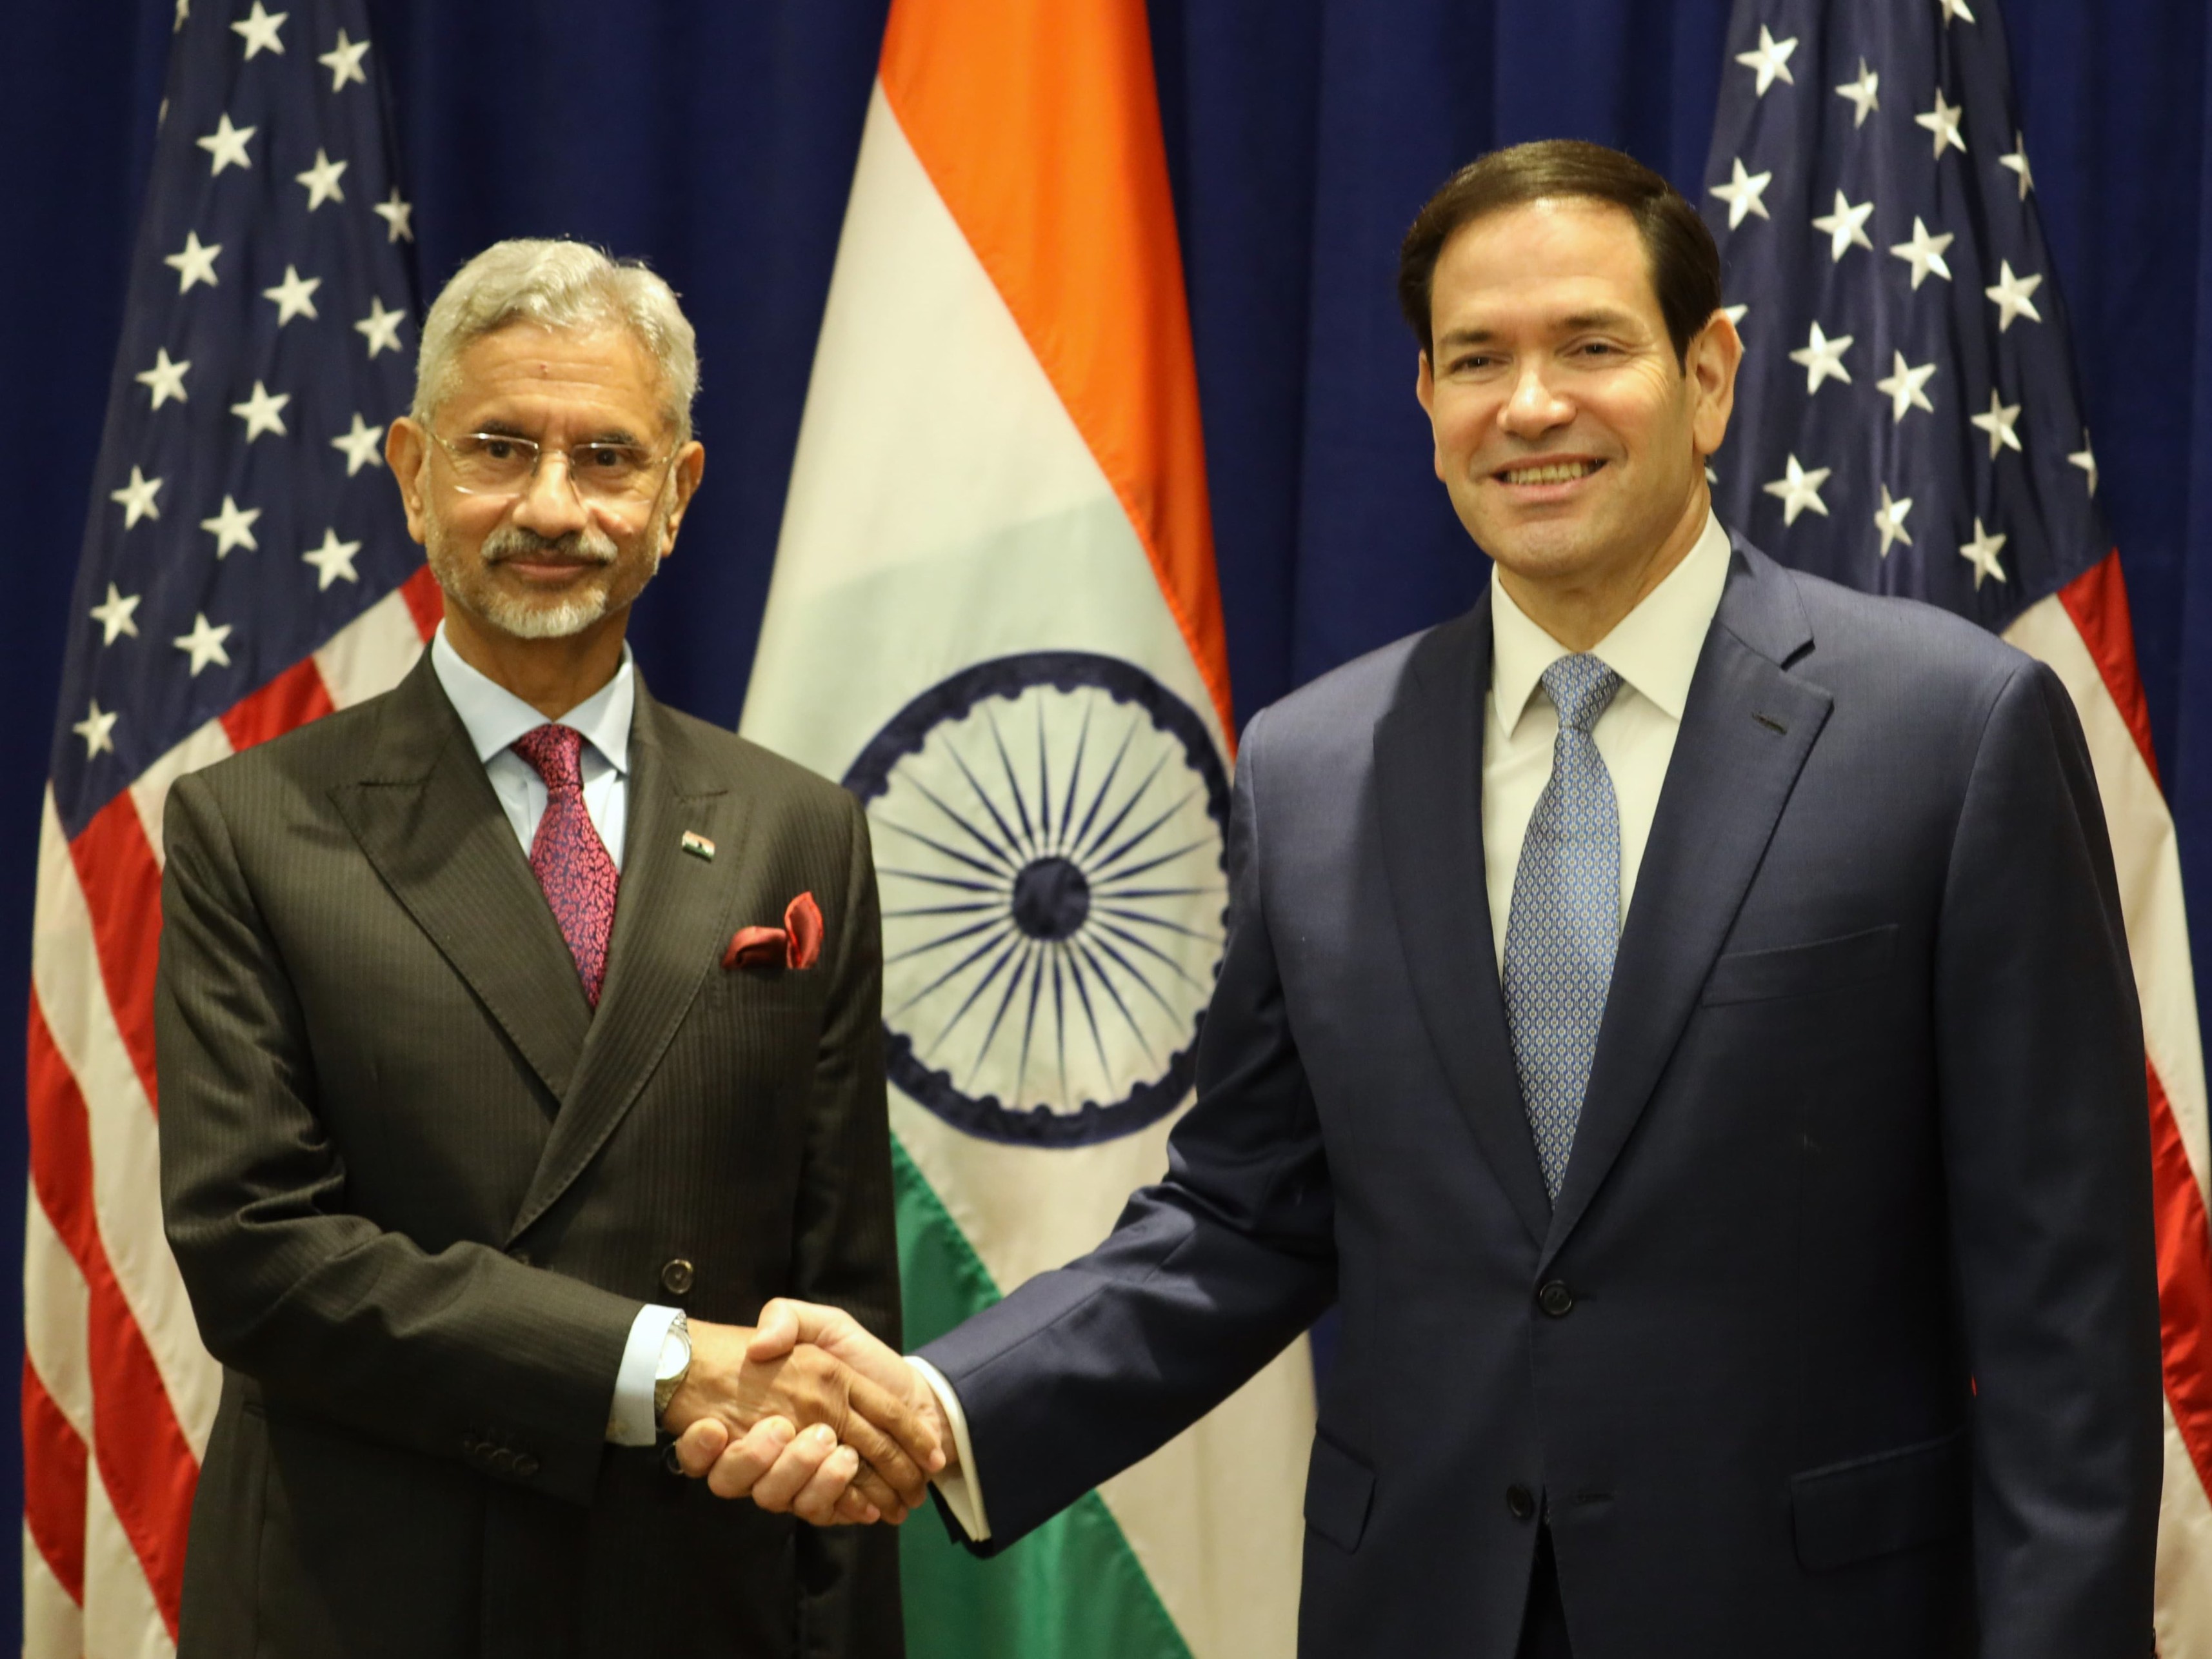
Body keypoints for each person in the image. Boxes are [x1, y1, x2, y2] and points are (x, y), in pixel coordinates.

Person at [679, 142, 2164, 1657]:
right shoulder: (1316, 763)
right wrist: (940, 1402)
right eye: (1475, 359)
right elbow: (1245, 1216)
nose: (1528, 405)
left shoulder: (1946, 732)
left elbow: (2063, 1309)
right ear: (1425, 401)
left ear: (1707, 375)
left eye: (1589, 345)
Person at [155, 239, 937, 1659]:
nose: (552, 507)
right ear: (412, 473)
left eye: (607, 459)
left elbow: (835, 1309)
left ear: (676, 496)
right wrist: (654, 1365)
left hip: (699, 1597)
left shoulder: (798, 830)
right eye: (498, 449)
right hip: (367, 1602)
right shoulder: (250, 824)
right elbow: (257, 1256)